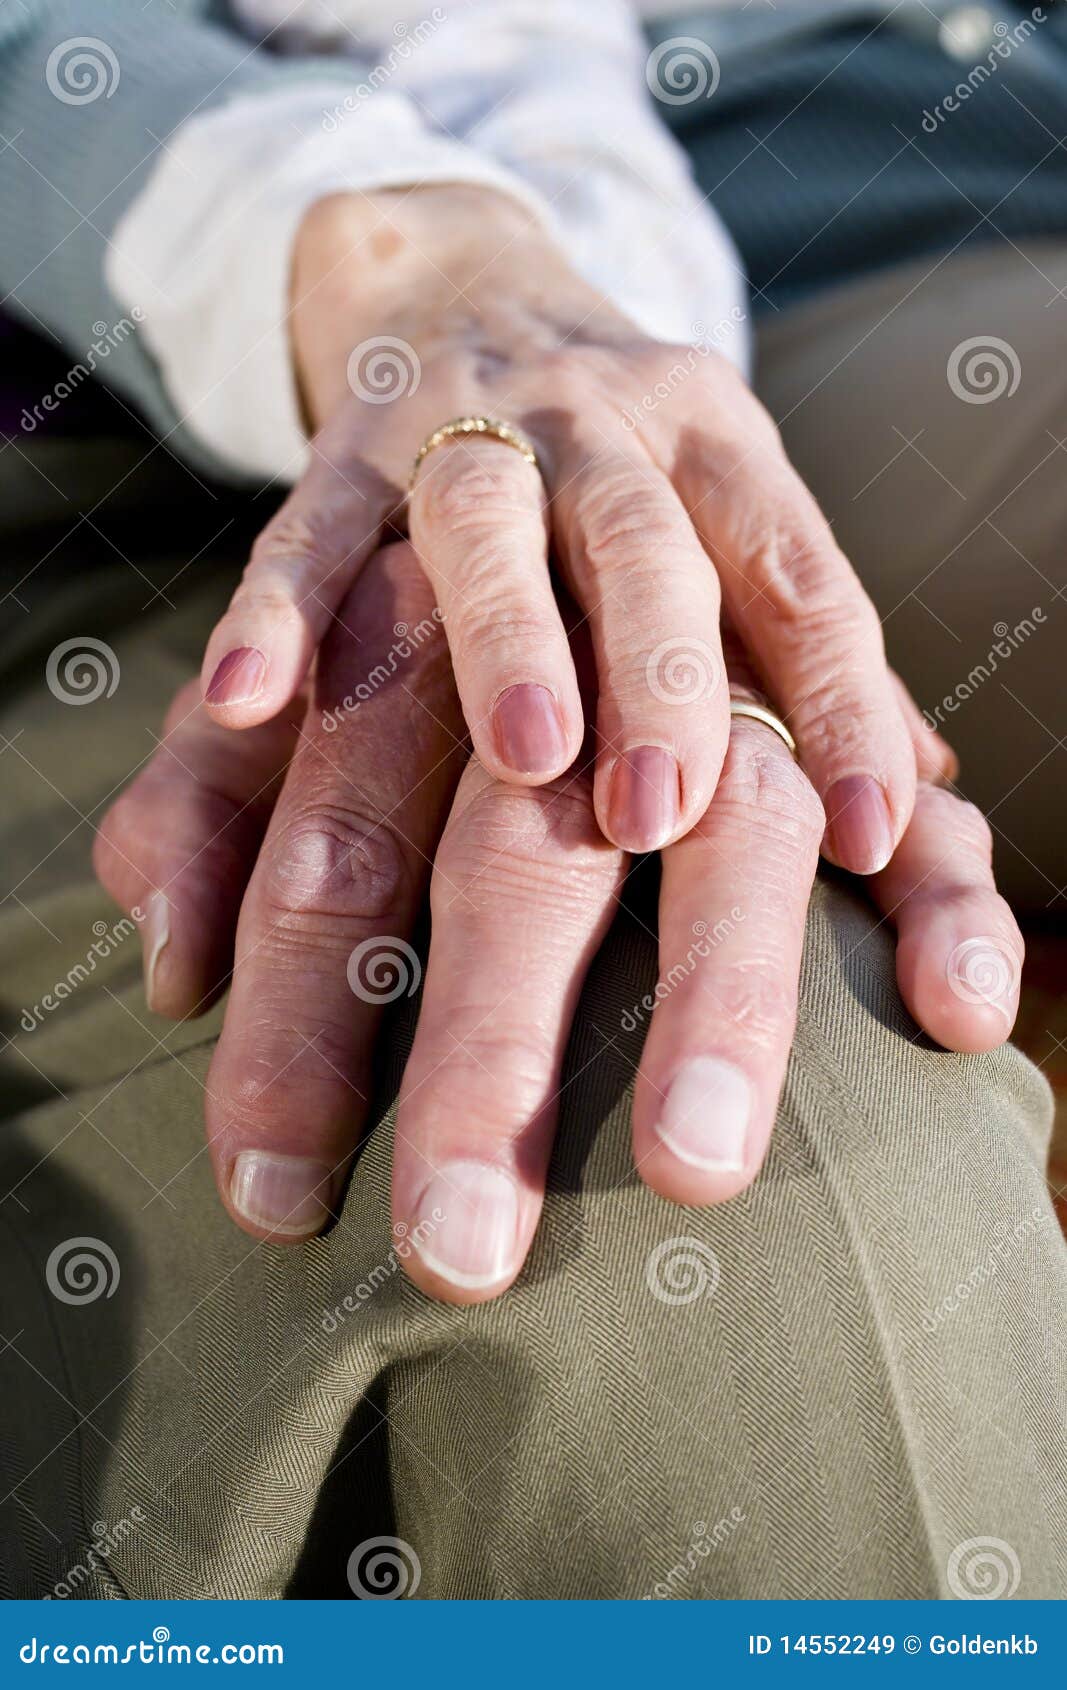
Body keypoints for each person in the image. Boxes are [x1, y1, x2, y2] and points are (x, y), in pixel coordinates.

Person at [0, 0, 1064, 1598]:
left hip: (833, 225)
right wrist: (411, 283)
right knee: (754, 1197)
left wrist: (596, 474)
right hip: (127, 459)